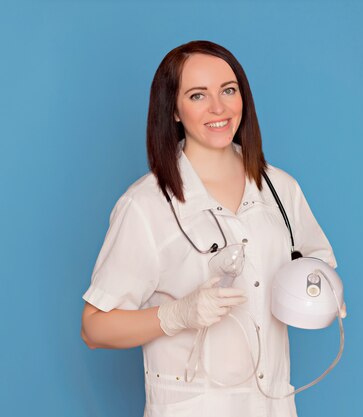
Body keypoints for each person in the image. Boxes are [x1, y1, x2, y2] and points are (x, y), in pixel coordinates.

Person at [80, 40, 344, 417]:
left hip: (272, 405)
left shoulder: (280, 188)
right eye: (198, 95)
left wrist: (322, 291)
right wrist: (177, 315)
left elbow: (316, 262)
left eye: (228, 90)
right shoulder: (145, 205)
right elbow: (94, 329)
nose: (218, 108)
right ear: (173, 109)